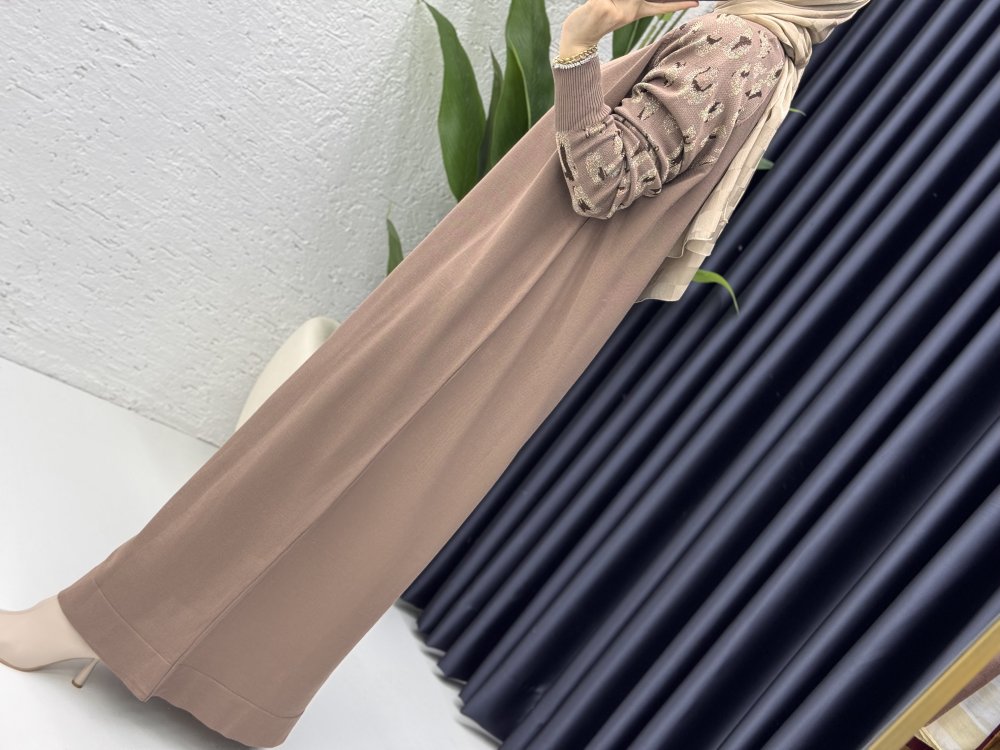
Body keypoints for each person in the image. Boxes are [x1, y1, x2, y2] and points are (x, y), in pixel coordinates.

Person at [0, 0, 868, 746]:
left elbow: (604, 181)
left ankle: (94, 624)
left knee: (309, 450)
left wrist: (582, 39)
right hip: (527, 314)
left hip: (494, 297)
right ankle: (222, 678)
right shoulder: (772, 52)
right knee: (375, 497)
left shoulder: (738, 44)